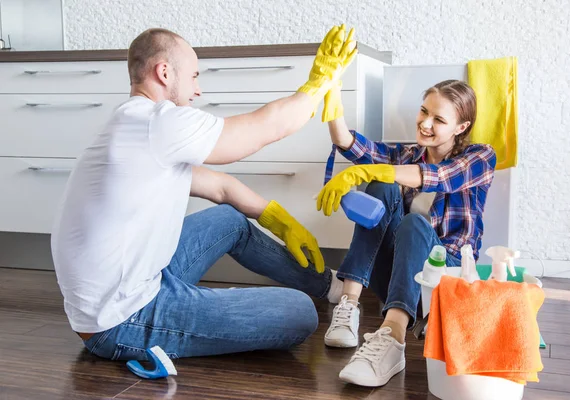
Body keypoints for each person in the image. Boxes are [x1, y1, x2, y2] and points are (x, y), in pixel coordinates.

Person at [50, 25, 354, 360]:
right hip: (121, 321)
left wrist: (277, 218)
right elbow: (265, 128)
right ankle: (206, 312)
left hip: (132, 289)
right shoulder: (157, 123)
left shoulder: (136, 127)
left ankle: (331, 288)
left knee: (230, 220)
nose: (197, 89)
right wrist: (320, 81)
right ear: (164, 72)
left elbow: (221, 187)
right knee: (299, 313)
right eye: (194, 76)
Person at [317, 79, 497, 387]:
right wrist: (332, 101)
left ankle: (393, 337)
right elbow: (352, 146)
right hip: (401, 280)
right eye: (424, 111)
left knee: (413, 222)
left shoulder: (480, 157)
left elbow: (440, 177)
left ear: (461, 126)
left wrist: (373, 170)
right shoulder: (410, 155)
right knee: (382, 186)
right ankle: (348, 305)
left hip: (443, 285)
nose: (426, 123)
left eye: (438, 119)